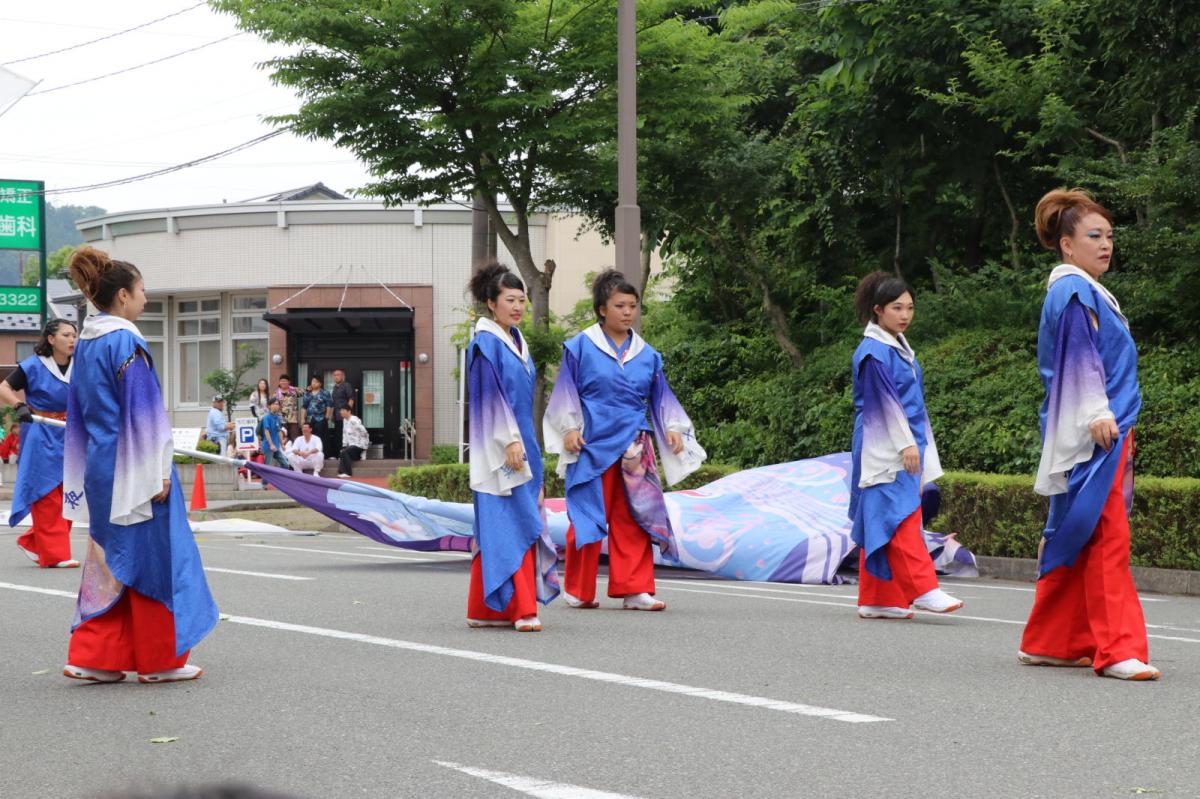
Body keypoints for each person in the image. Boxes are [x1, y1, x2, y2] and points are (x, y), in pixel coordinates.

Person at [1019, 189, 1159, 681]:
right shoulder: (1075, 290)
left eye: (1110, 236)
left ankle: (1051, 642)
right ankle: (1117, 648)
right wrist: (1098, 411)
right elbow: (1080, 358)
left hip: (1093, 426)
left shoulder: (1080, 288)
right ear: (1066, 245)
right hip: (1096, 428)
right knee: (1105, 536)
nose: (1106, 245)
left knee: (1075, 532)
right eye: (1094, 236)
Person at [61, 246, 217, 684]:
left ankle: (96, 657)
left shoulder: (87, 342)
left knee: (108, 560)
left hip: (99, 465)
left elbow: (80, 413)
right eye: (143, 290)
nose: (146, 299)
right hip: (135, 465)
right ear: (124, 296)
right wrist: (159, 471)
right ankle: (160, 659)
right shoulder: (126, 339)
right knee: (154, 557)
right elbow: (143, 412)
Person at [544, 270, 705, 612]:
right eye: (620, 305)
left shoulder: (648, 354)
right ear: (603, 308)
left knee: (635, 516)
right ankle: (579, 589)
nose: (628, 312)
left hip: (634, 443)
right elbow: (565, 392)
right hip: (591, 442)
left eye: (633, 305)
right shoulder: (580, 346)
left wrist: (672, 428)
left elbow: (662, 398)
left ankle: (635, 589)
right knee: (587, 515)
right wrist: (568, 429)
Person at [848, 271, 962, 620]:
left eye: (910, 307)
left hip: (901, 440)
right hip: (884, 442)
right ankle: (924, 589)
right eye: (897, 308)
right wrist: (904, 445)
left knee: (881, 515)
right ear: (878, 310)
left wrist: (918, 444)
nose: (905, 315)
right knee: (902, 517)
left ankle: (877, 597)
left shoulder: (896, 347)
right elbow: (883, 404)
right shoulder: (875, 351)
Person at [465, 262, 559, 631]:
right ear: (492, 303)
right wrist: (509, 442)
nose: (518, 307)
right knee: (513, 521)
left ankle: (485, 609)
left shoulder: (517, 342)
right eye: (510, 300)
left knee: (507, 520)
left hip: (522, 443)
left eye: (522, 300)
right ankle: (521, 608)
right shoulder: (486, 343)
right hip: (501, 445)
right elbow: (490, 399)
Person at [0, 318, 80, 568]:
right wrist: (19, 405)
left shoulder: (82, 366)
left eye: (74, 335)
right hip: (42, 432)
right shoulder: (33, 366)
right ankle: (55, 554)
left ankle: (34, 542)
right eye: (66, 335)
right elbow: (3, 387)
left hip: (72, 433)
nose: (72, 340)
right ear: (51, 339)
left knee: (72, 493)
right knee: (47, 494)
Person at [336, 405, 369, 478]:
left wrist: (365, 447)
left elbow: (364, 432)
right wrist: (344, 446)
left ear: (349, 411)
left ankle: (347, 473)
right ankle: (342, 472)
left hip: (359, 446)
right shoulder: (344, 420)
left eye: (342, 410)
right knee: (343, 452)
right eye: (340, 410)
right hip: (351, 446)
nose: (340, 412)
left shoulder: (354, 420)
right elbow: (344, 434)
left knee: (345, 452)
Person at [328, 369, 354, 457]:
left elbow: (351, 399)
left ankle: (345, 454)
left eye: (338, 375)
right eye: (334, 375)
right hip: (336, 416)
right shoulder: (334, 388)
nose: (336, 377)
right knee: (338, 435)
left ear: (342, 376)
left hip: (344, 415)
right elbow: (333, 402)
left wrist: (348, 412)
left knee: (345, 435)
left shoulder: (346, 385)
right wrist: (331, 415)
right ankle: (338, 454)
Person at [300, 375, 332, 443]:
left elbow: (329, 405)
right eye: (313, 381)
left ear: (320, 384)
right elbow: (304, 407)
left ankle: (320, 452)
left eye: (316, 382)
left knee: (320, 437)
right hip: (309, 418)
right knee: (309, 436)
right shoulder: (307, 394)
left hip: (320, 418)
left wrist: (327, 417)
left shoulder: (325, 393)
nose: (314, 383)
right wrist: (302, 418)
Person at [259, 397, 289, 470]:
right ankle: (264, 482)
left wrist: (282, 444)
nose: (276, 406)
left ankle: (279, 480)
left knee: (285, 464)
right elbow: (266, 431)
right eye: (274, 404)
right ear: (269, 406)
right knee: (267, 468)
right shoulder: (266, 417)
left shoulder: (278, 418)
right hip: (268, 446)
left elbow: (278, 431)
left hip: (276, 446)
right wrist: (271, 445)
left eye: (277, 404)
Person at [275, 374, 300, 440]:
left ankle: (294, 450)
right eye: (282, 381)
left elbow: (306, 391)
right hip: (281, 419)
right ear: (279, 382)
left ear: (289, 382)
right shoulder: (276, 393)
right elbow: (273, 406)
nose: (283, 382)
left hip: (293, 419)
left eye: (285, 381)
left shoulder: (294, 390)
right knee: (283, 437)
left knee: (294, 437)